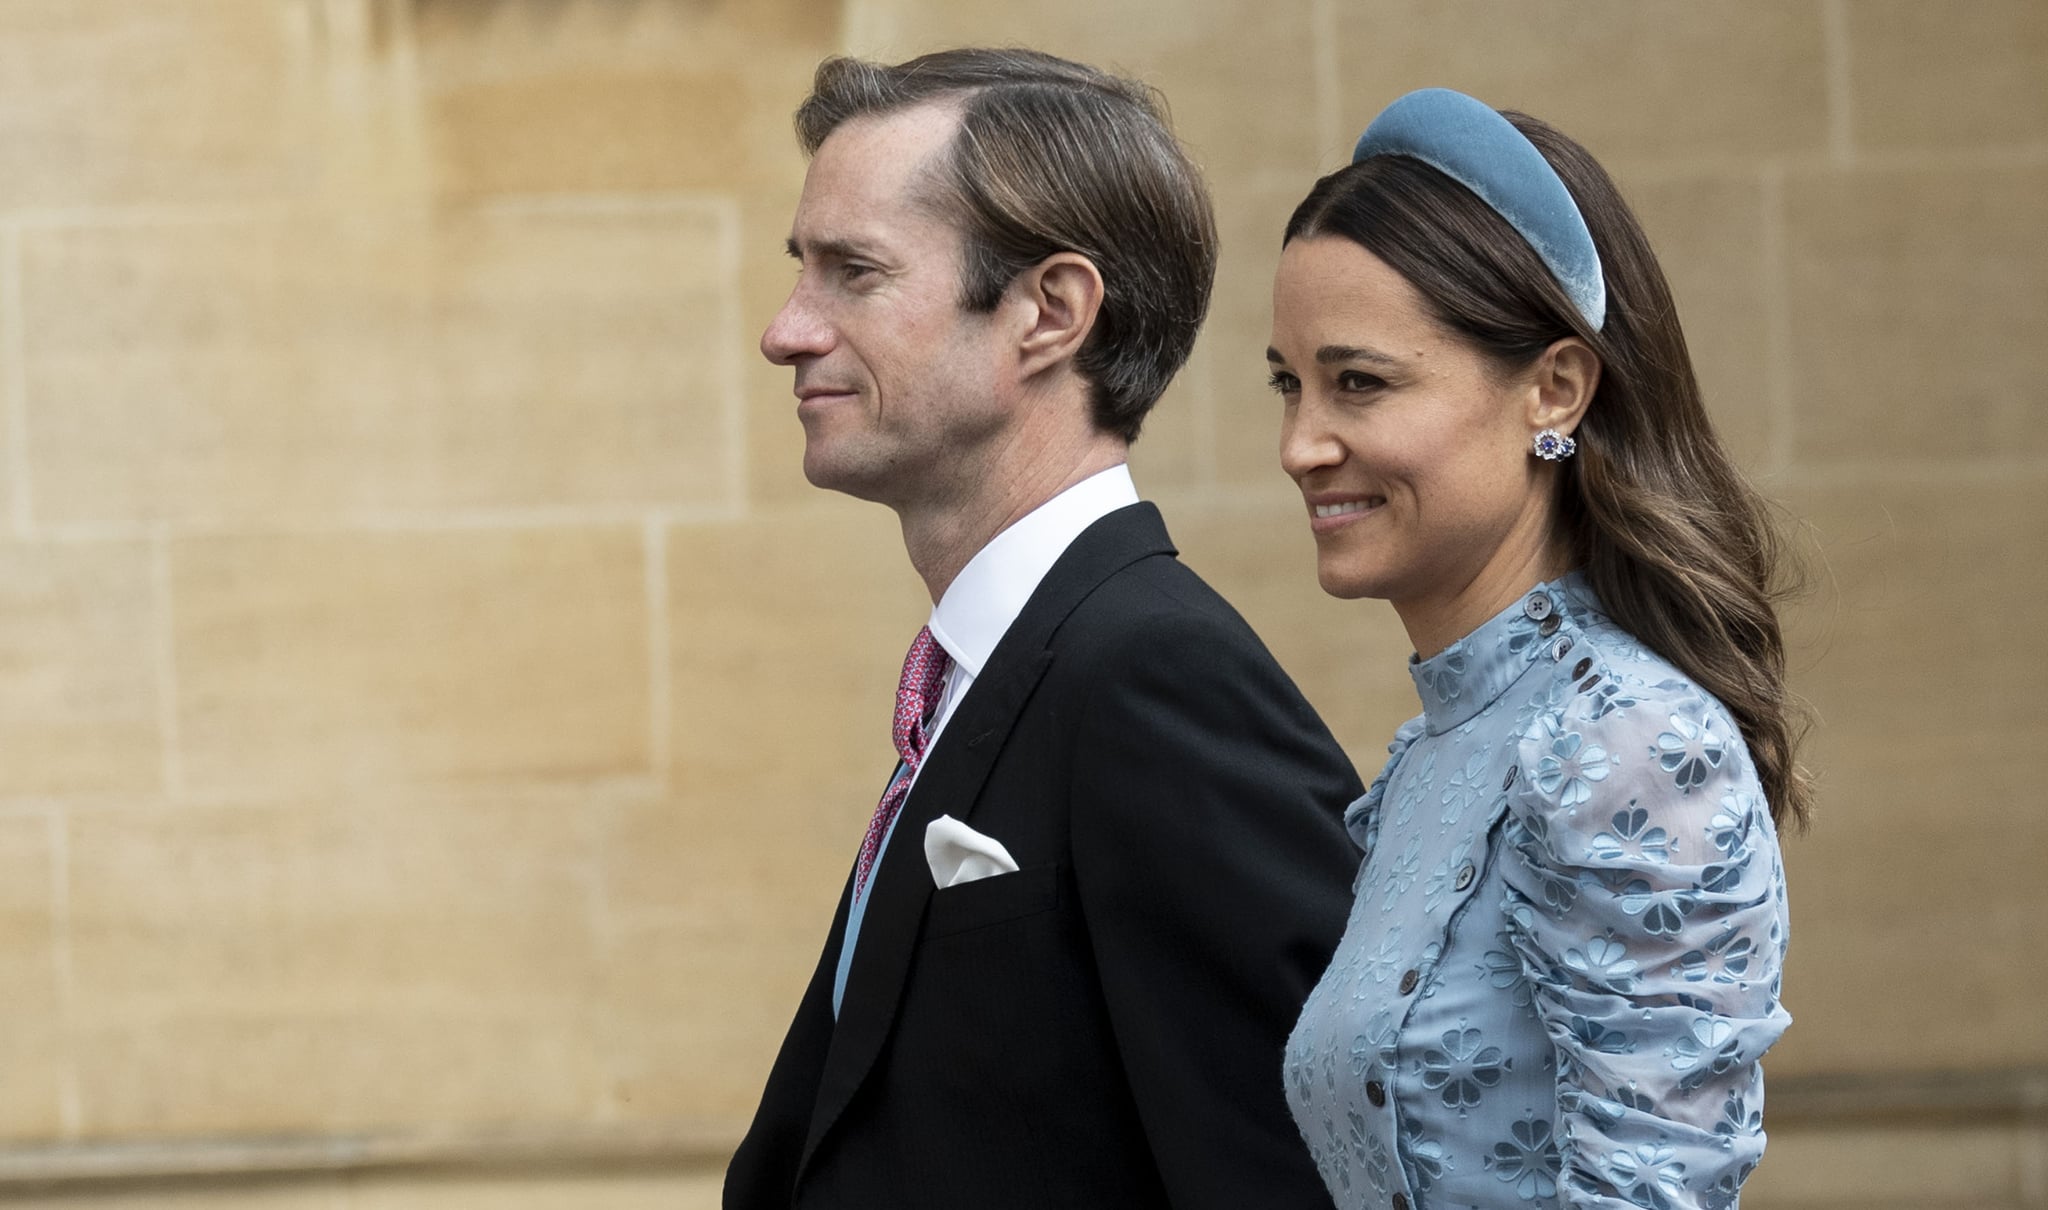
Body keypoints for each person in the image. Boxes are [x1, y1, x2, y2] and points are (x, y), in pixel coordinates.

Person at [725, 49, 1363, 1210]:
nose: (784, 331)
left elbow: (1297, 1171)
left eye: (851, 273)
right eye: (797, 272)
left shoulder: (1155, 675)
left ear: (1050, 312)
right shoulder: (994, 669)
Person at [1269, 89, 1807, 1210]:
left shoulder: (1627, 739)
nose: (1300, 444)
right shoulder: (1442, 748)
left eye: (1357, 381)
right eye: (1290, 382)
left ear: (1552, 389)